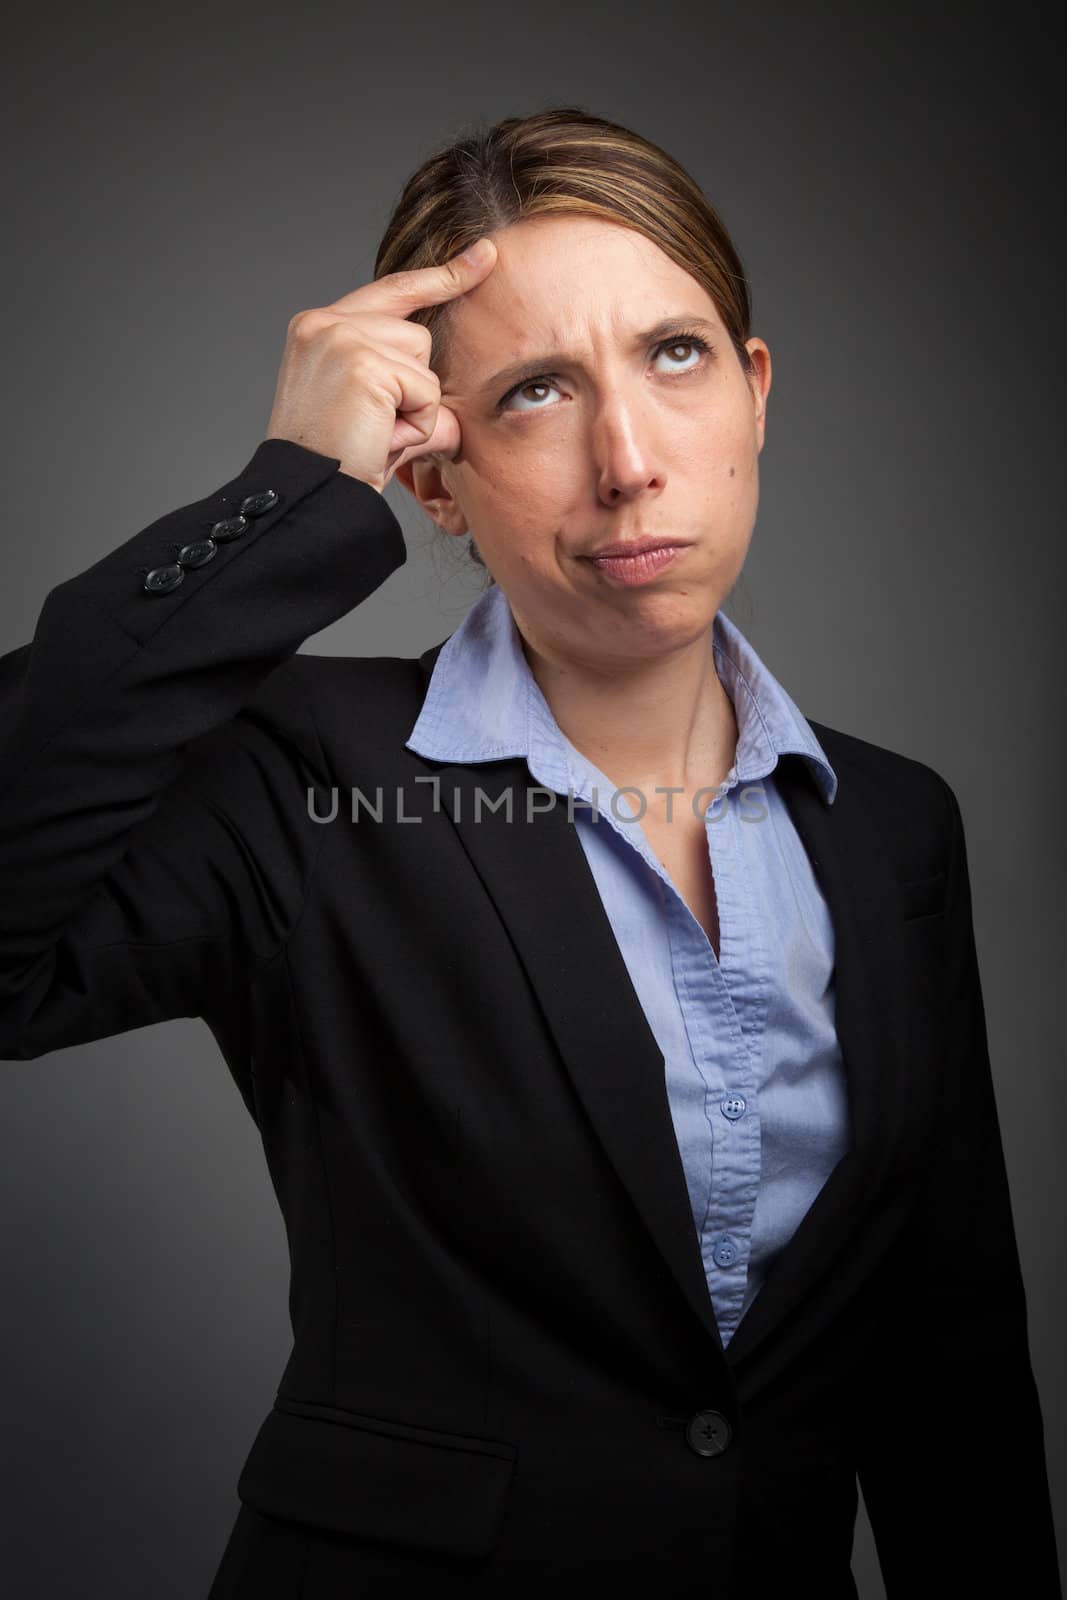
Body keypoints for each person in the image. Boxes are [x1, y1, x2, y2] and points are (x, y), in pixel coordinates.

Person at [0, 105, 1059, 1598]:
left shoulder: (891, 825)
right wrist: (286, 488)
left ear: (756, 395)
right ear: (434, 477)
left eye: (676, 355)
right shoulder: (305, 780)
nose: (627, 460)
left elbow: (951, 1371)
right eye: (538, 392)